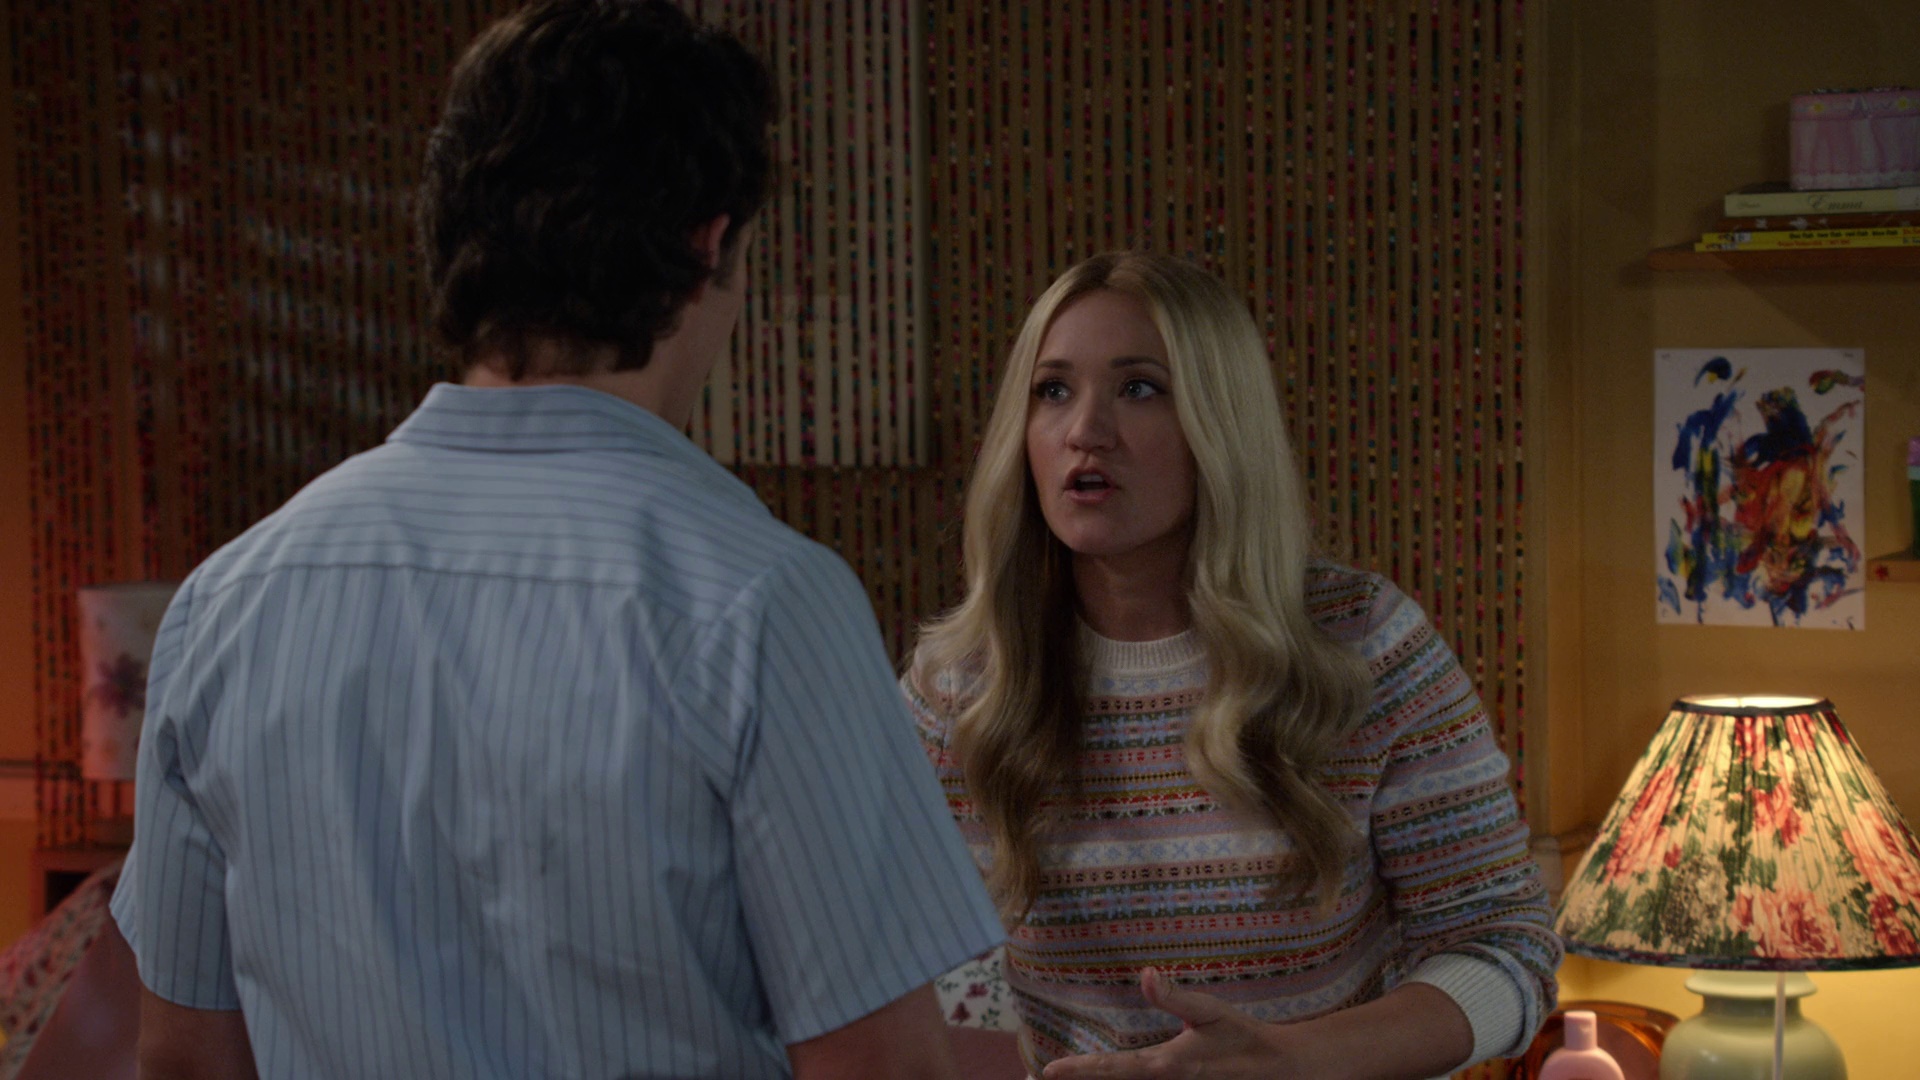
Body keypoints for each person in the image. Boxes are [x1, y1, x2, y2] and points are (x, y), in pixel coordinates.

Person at [107, 2, 1004, 1077]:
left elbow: (185, 1059)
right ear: (707, 244)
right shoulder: (762, 604)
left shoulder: (224, 604)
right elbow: (882, 1071)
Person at [904, 252, 1562, 1079]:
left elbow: (1508, 948)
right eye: (1053, 390)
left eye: (1139, 388)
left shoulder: (1361, 644)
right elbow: (870, 960)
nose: (1085, 431)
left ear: (1220, 423)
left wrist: (1289, 1062)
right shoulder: (960, 683)